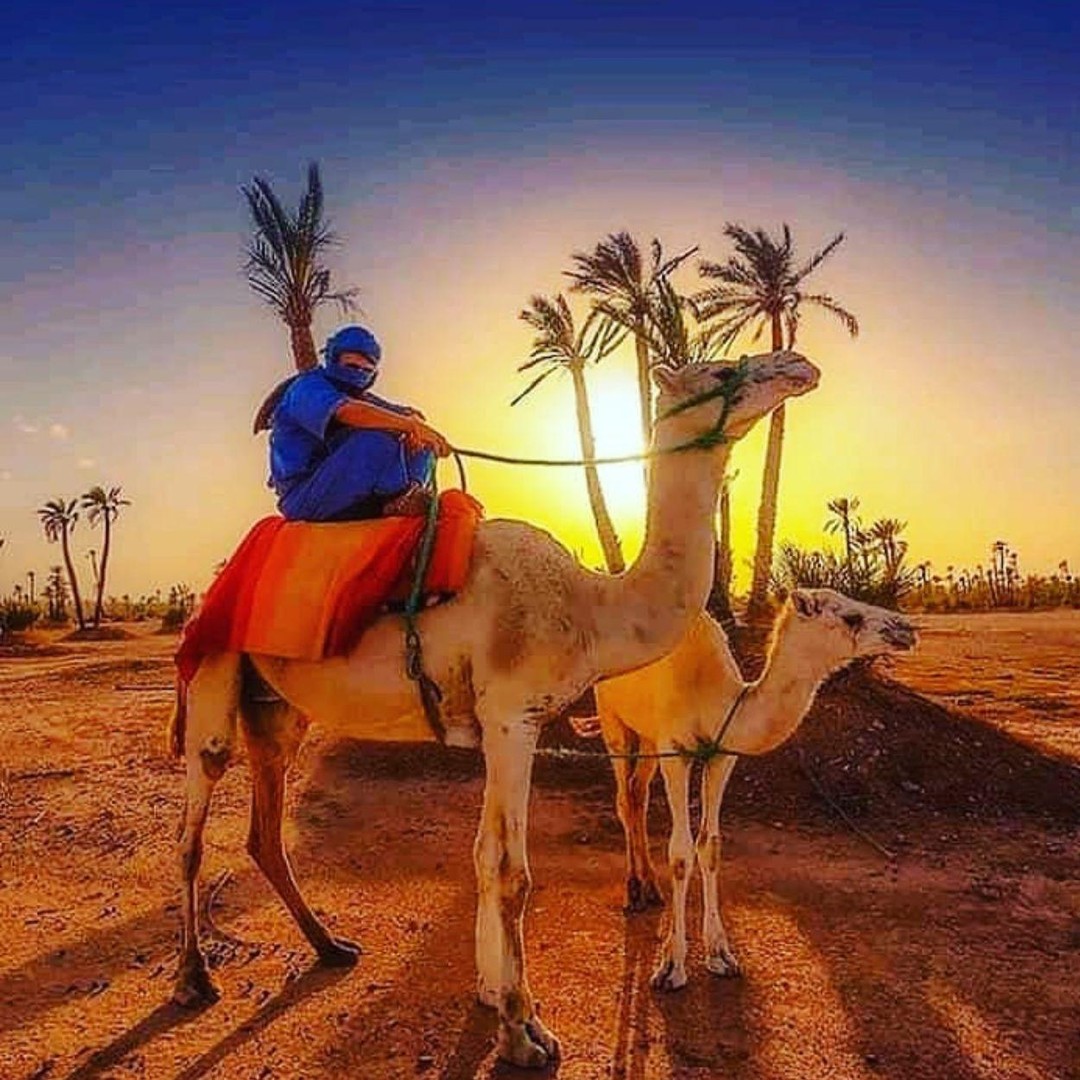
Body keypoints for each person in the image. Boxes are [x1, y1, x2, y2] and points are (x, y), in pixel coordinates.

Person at [268, 325, 451, 520]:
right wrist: (409, 426)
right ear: (333, 361)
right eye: (352, 367)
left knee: (422, 444)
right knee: (377, 438)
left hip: (345, 485)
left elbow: (410, 414)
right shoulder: (307, 388)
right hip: (304, 495)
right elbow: (346, 411)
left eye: (366, 370)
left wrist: (415, 426)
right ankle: (397, 498)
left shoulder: (363, 398)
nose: (359, 374)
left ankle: (409, 495)